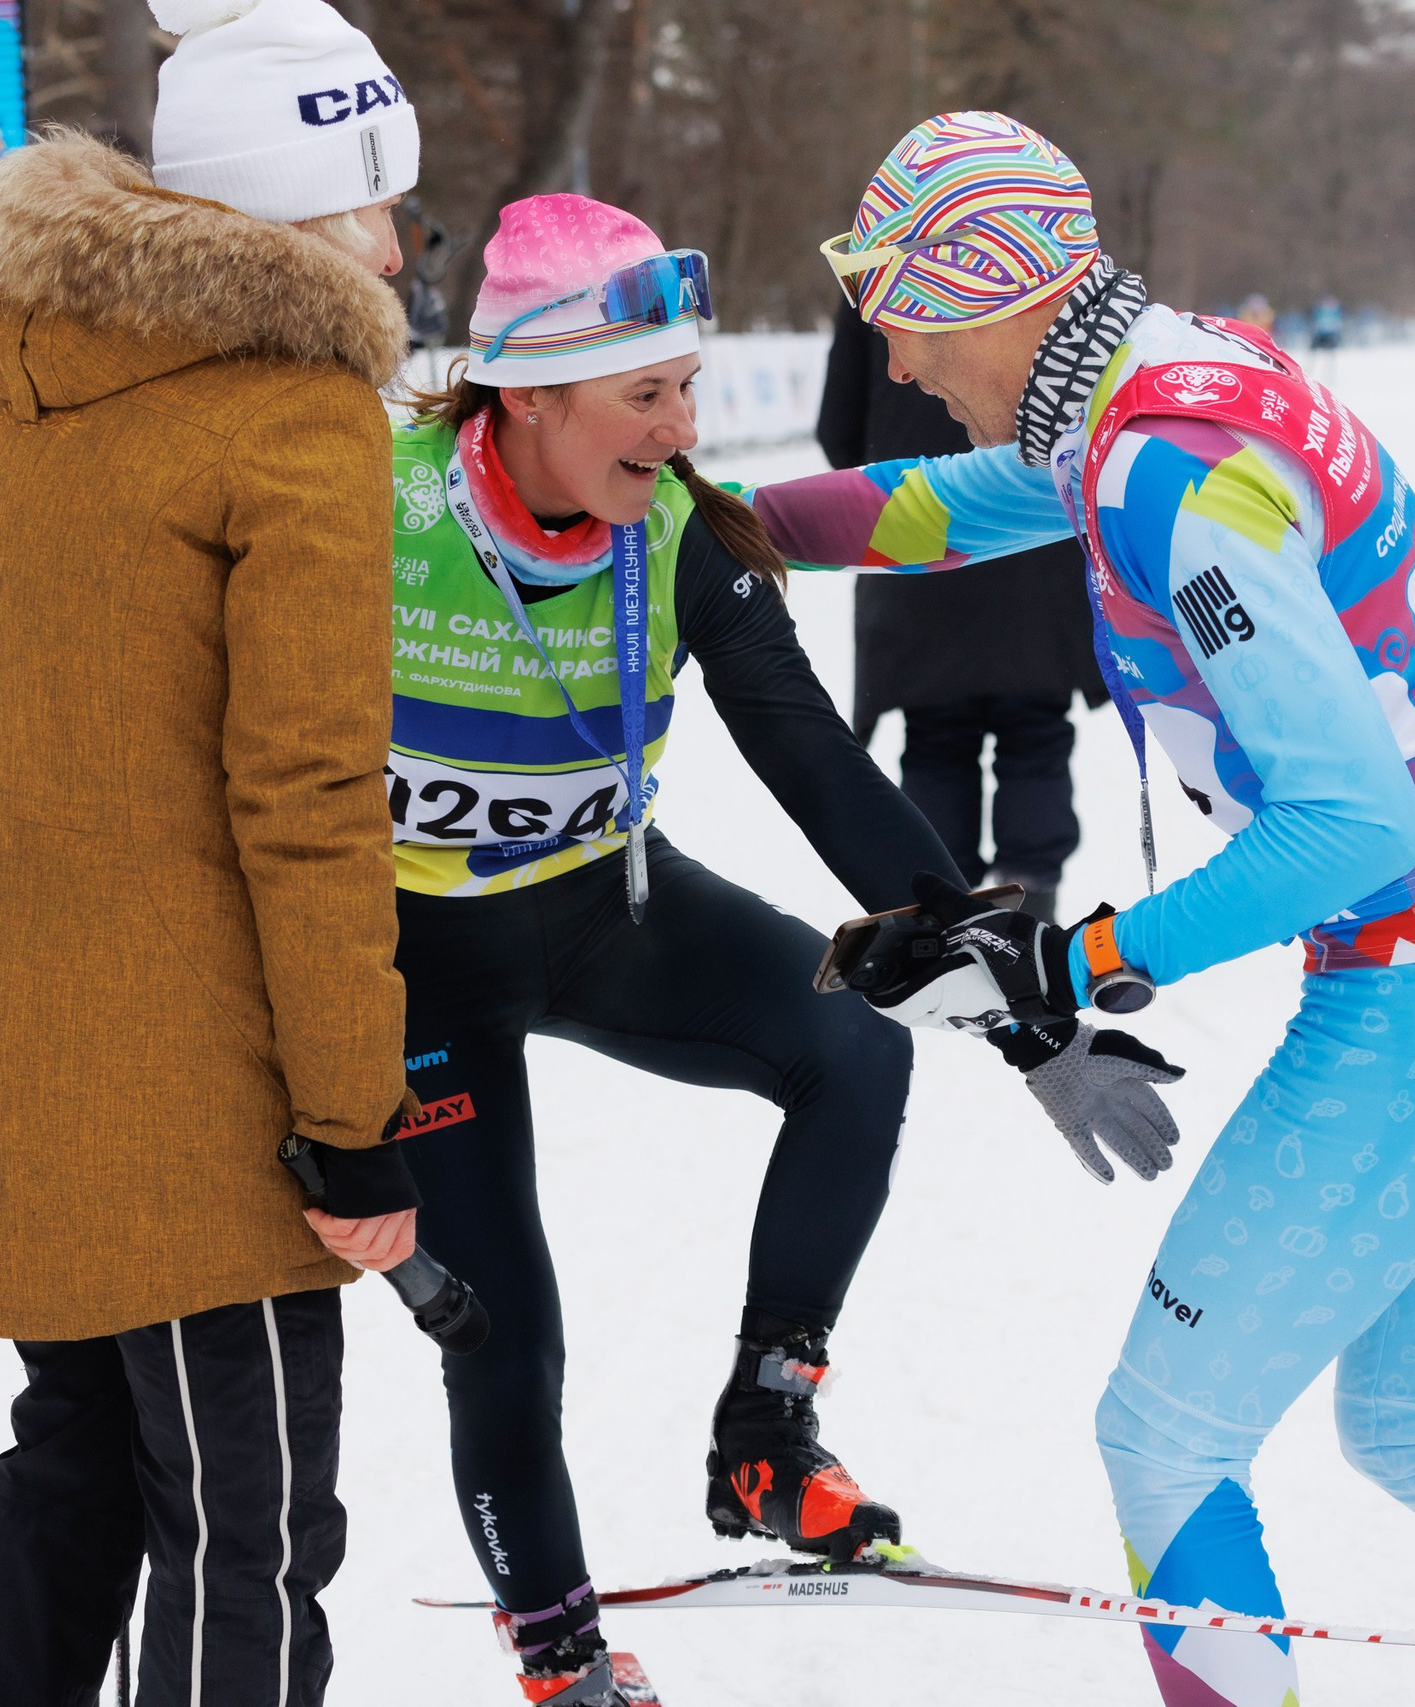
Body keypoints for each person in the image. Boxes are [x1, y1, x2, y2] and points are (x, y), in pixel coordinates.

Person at [753, 110, 1415, 1707]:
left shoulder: (1169, 466)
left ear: (994, 289)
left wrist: (1076, 955)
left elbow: (1343, 817)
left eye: (900, 301)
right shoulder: (1160, 379)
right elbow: (968, 501)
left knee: (1163, 1433)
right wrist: (730, 528)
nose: (888, 352)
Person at [385, 191, 1187, 1707]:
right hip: (416, 958)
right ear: (528, 392)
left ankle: (766, 1428)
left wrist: (1030, 1018)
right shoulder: (380, 502)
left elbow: (824, 770)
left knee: (854, 1046)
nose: (684, 425)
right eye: (647, 392)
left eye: (690, 384)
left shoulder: (680, 532)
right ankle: (564, 1658)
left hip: (604, 905)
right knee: (506, 1320)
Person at [0, 3, 430, 1701]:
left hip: (24, 1060)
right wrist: (355, 1124)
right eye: (373, 204)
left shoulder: (18, 385)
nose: (401, 245)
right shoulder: (295, 415)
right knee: (241, 1534)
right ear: (286, 213)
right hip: (206, 1105)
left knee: (72, 1464)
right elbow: (310, 796)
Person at [819, 298, 1107, 910]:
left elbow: (837, 430)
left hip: (918, 546)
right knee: (1036, 730)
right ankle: (1031, 901)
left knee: (935, 736)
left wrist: (903, 486)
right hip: (1035, 552)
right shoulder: (1040, 280)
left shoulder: (875, 295)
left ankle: (942, 916)